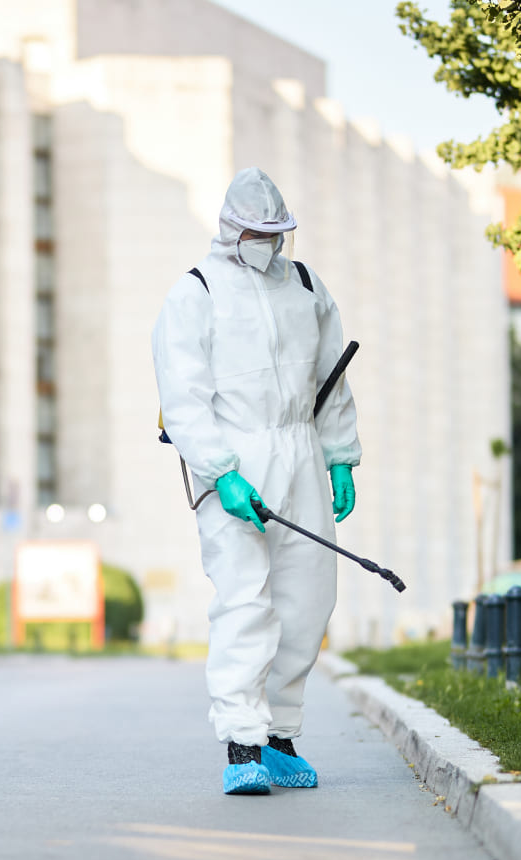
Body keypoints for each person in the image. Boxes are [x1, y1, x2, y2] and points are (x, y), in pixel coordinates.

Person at [151, 167, 361, 795]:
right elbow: (183, 398)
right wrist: (221, 473)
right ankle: (242, 743)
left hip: (300, 450)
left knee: (308, 597)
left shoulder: (306, 286)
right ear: (229, 229)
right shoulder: (196, 293)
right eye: (256, 232)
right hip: (234, 456)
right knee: (245, 599)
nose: (267, 244)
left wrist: (340, 455)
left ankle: (279, 736)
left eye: (276, 232)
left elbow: (331, 379)